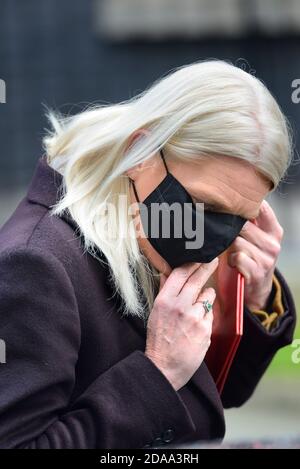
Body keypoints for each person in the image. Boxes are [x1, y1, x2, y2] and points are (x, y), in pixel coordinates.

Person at [0, 60, 296, 449]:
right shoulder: (36, 265)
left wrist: (253, 297)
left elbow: (210, 399)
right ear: (141, 150)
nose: (212, 236)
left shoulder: (151, 226)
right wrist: (158, 371)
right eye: (204, 206)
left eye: (239, 218)